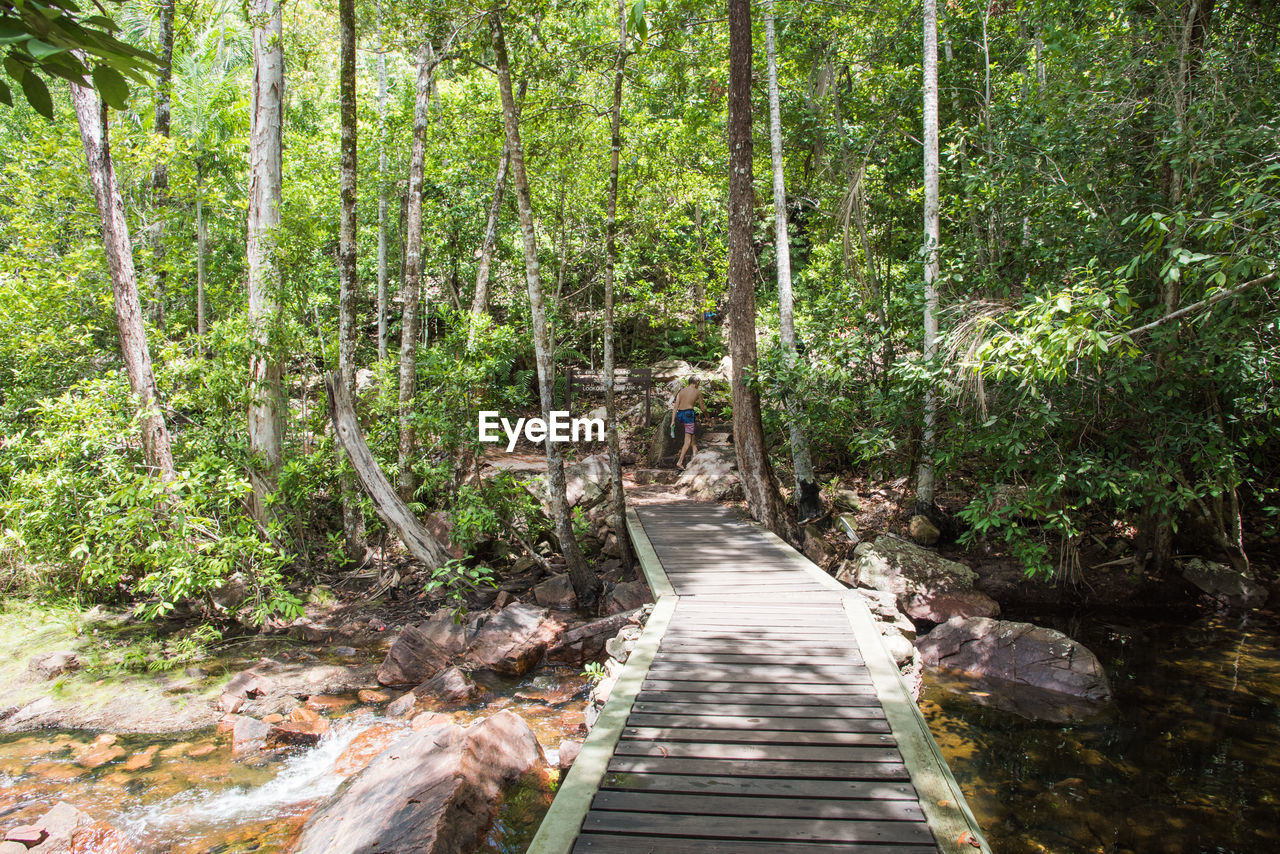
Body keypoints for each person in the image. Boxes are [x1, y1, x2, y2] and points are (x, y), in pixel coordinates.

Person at [671, 377, 708, 470]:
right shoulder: (697, 392)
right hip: (688, 414)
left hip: (680, 415)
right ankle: (679, 462)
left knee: (691, 432)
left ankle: (695, 450)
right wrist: (707, 417)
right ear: (697, 382)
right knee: (687, 440)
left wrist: (672, 421)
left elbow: (675, 406)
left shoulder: (681, 391)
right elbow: (703, 408)